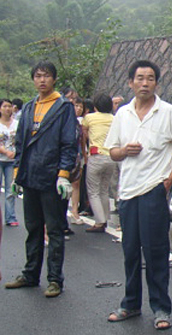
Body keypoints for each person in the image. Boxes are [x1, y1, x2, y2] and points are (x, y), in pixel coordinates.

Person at [105, 60, 172, 330]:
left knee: (155, 252)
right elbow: (112, 151)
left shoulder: (168, 112)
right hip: (128, 192)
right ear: (130, 82)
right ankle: (130, 304)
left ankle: (161, 308)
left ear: (156, 83)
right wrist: (124, 151)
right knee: (130, 251)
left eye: (150, 78)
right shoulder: (122, 114)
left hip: (154, 190)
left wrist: (169, 180)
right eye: (140, 78)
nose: (145, 83)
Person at [4, 61, 78, 298]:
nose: (42, 80)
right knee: (33, 227)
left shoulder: (63, 107)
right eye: (37, 76)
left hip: (52, 177)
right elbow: (20, 144)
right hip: (30, 177)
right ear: (33, 79)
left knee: (54, 230)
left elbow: (69, 143)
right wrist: (17, 174)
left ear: (54, 79)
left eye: (46, 76)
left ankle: (55, 279)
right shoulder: (27, 107)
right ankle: (30, 274)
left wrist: (63, 174)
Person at [82, 93, 116, 232]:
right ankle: (106, 218)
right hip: (111, 157)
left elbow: (84, 135)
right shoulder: (114, 119)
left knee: (93, 191)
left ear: (95, 106)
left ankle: (99, 222)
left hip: (96, 156)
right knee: (104, 189)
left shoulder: (89, 118)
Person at [0, 99, 19, 227]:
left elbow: (21, 140)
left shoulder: (17, 124)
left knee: (10, 190)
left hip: (12, 161)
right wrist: (5, 152)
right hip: (1, 158)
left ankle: (10, 217)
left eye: (9, 106)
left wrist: (15, 152)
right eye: (5, 106)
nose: (7, 109)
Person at [68, 97, 86, 225]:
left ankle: (75, 211)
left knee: (76, 184)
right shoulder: (64, 122)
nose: (79, 109)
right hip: (66, 157)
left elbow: (83, 141)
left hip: (77, 157)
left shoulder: (80, 124)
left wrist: (85, 156)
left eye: (80, 106)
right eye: (76, 106)